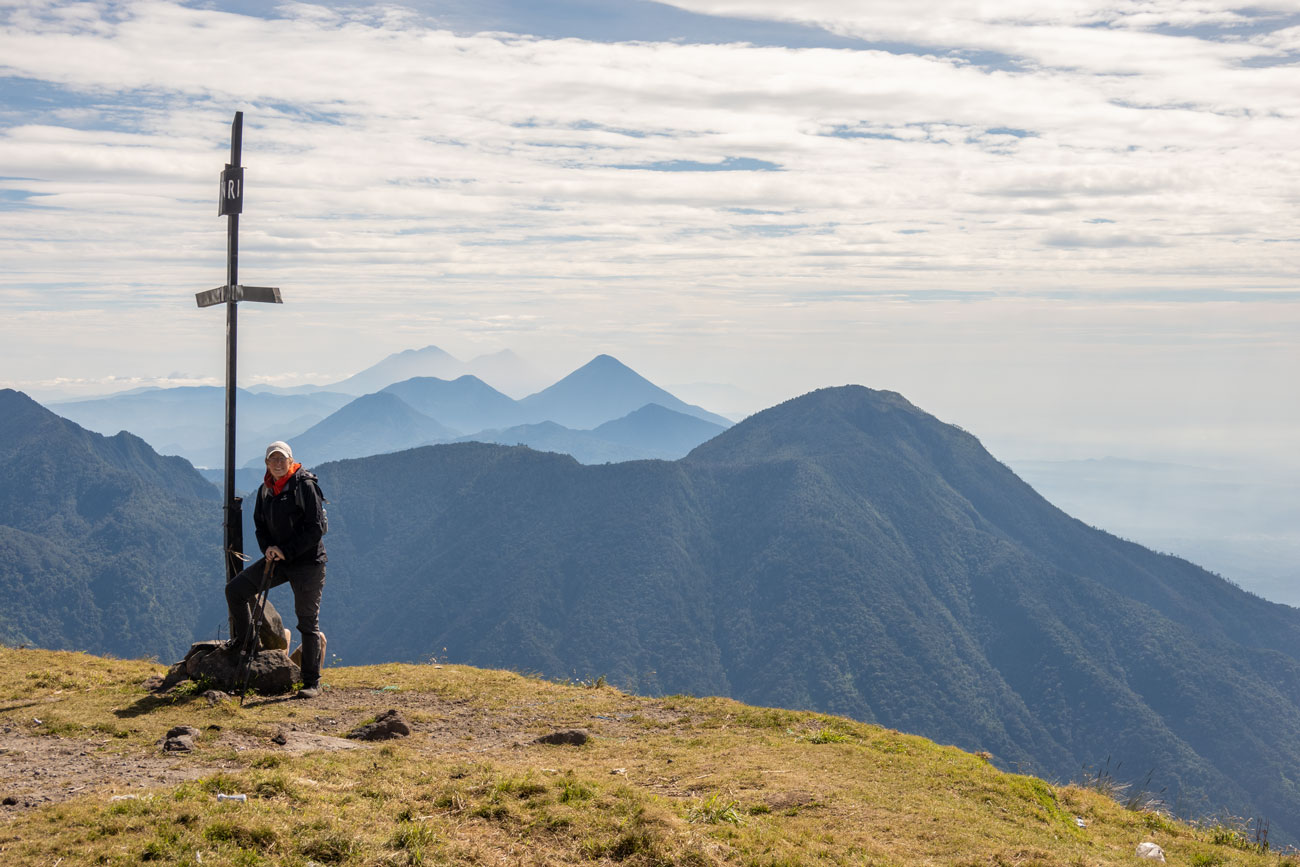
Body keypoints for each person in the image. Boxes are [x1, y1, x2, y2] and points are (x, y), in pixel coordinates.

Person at [225, 440, 328, 698]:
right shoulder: (265, 490)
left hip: (307, 564)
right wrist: (268, 548)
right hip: (279, 560)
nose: (278, 463)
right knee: (236, 590)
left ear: (291, 460)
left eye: (282, 459)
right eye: (273, 459)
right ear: (267, 464)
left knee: (307, 622)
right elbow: (259, 525)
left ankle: (311, 682)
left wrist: (287, 551)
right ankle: (246, 642)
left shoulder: (304, 486)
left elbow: (315, 529)